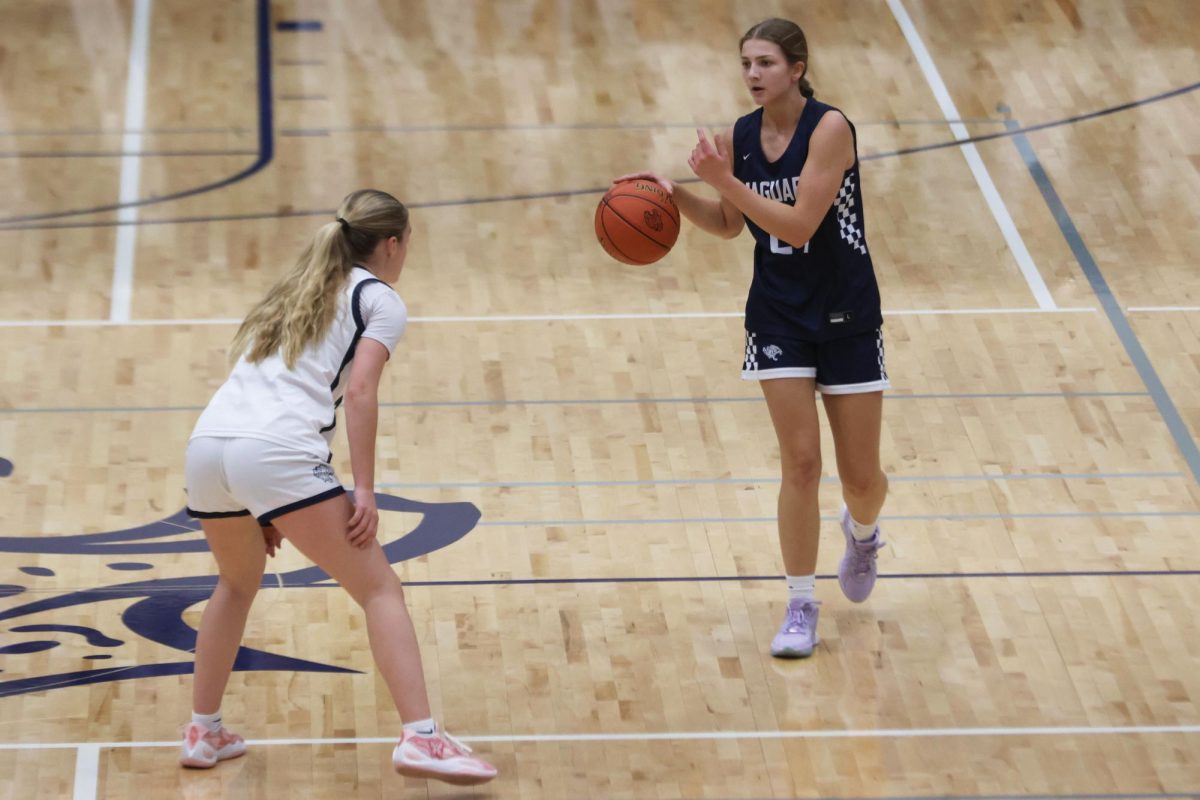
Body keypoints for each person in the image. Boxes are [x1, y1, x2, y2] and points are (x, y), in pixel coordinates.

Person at [178, 189, 497, 785]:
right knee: (380, 589)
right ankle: (421, 739)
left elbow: (268, 389)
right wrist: (365, 490)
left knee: (235, 583)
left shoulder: (292, 287)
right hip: (272, 453)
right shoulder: (380, 300)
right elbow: (360, 392)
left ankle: (203, 729)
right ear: (394, 244)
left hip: (208, 447)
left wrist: (265, 503)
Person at [616, 18, 889, 659]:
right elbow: (731, 223)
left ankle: (866, 530)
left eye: (765, 63)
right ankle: (800, 602)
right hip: (777, 316)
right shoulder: (742, 134)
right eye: (745, 63)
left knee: (859, 479)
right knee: (800, 464)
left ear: (796, 68)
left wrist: (723, 179)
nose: (752, 75)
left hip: (847, 314)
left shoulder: (830, 129)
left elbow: (796, 226)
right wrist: (675, 195)